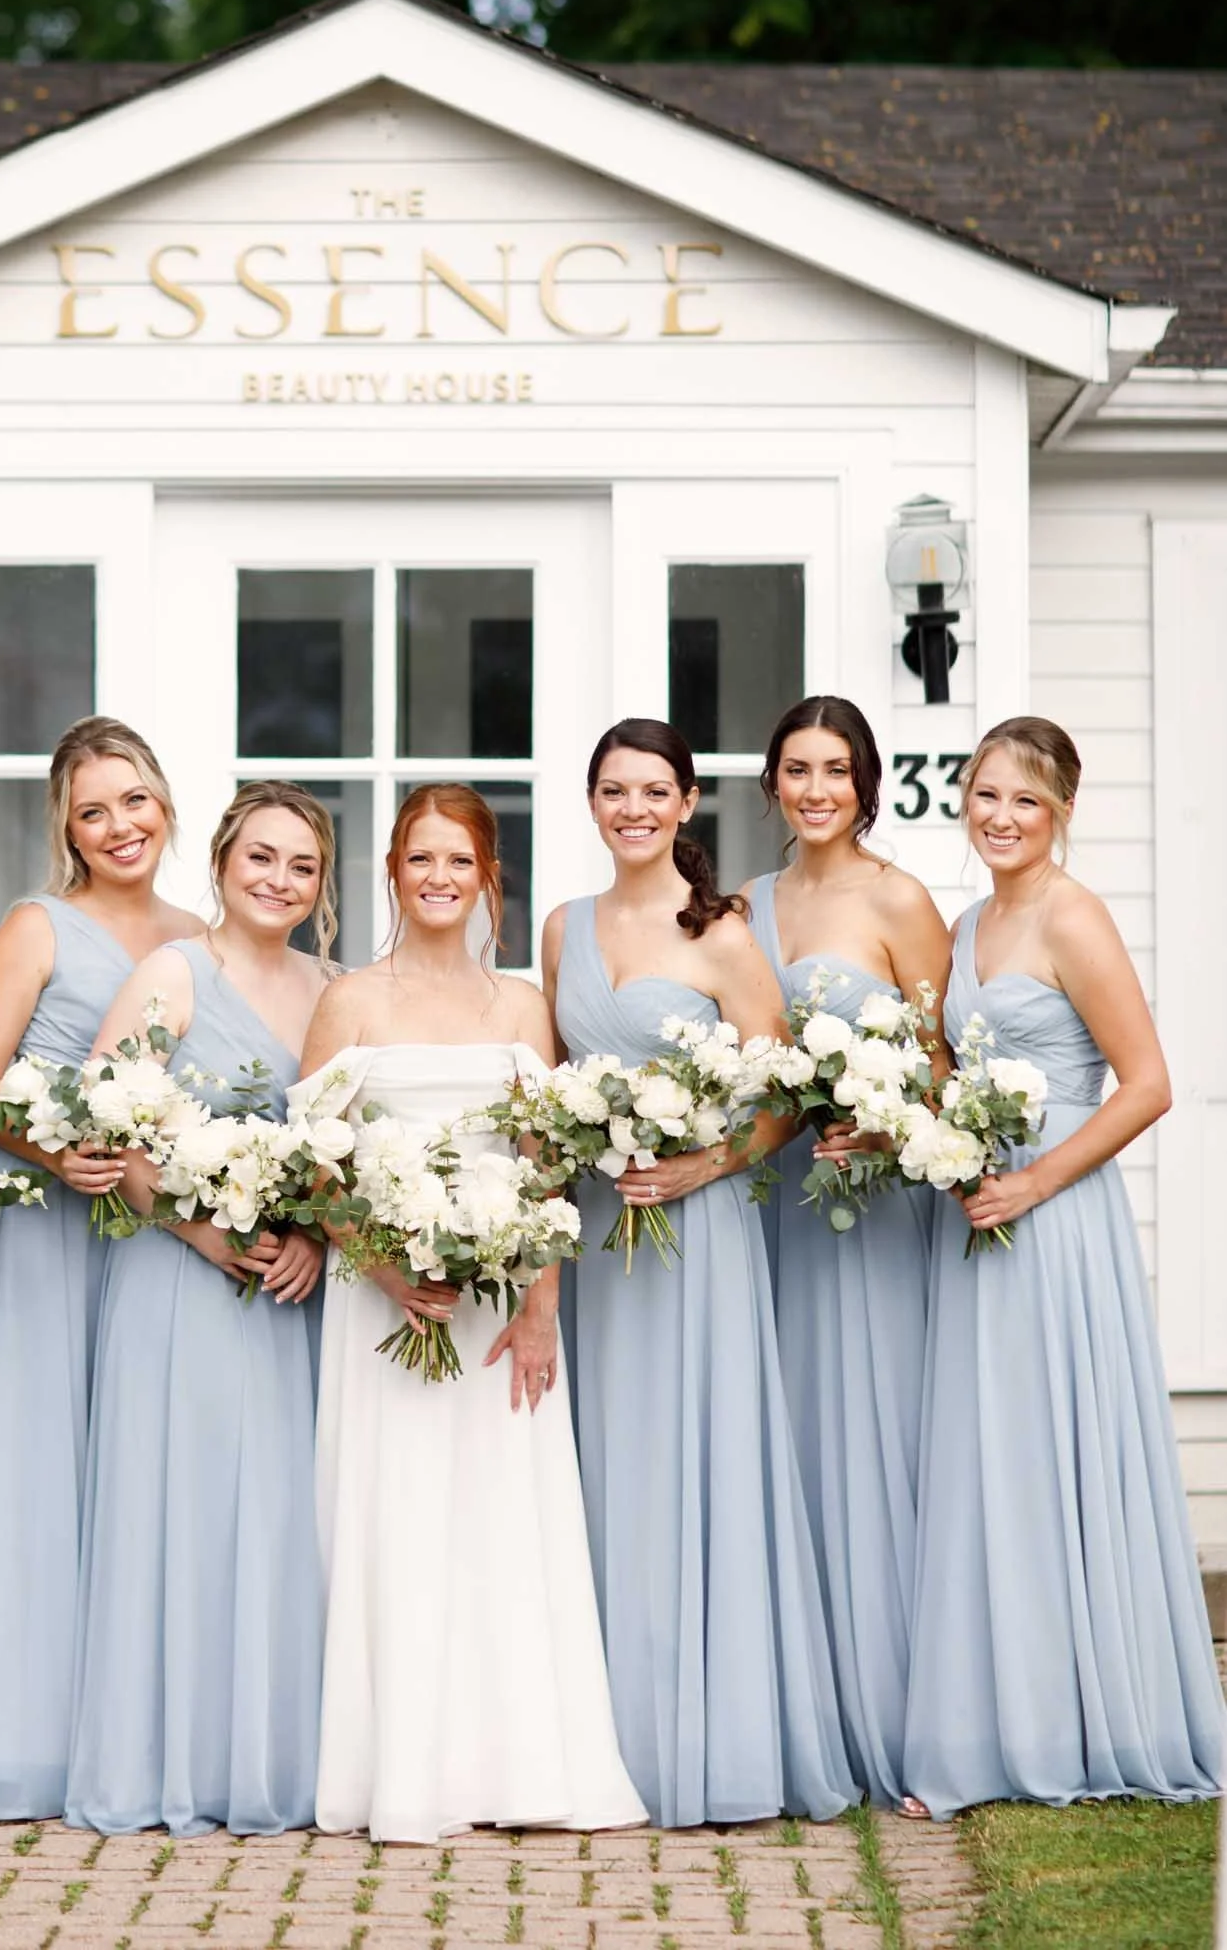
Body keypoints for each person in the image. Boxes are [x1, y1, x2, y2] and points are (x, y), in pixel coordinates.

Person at [301, 784, 645, 1844]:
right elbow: (311, 1173)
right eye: (419, 860)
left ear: (488, 877)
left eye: (459, 861)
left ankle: (520, 1769)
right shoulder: (350, 1001)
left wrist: (538, 1309)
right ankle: (400, 1775)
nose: (438, 878)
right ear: (393, 873)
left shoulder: (516, 1008)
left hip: (498, 1313)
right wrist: (384, 1264)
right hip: (383, 1311)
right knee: (396, 1526)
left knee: (502, 1533)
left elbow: (544, 1172)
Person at [904, 717, 1223, 1814]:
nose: (998, 816)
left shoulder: (1070, 916)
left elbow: (1144, 1083)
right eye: (984, 794)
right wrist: (937, 1146)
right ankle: (996, 1717)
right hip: (978, 1212)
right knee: (989, 1460)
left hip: (1054, 1218)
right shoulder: (963, 924)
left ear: (1061, 814)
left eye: (1023, 802)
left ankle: (1085, 1714)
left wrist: (1034, 1184)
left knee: (1051, 1449)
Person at [544, 717, 855, 1828]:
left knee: (693, 1452)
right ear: (592, 804)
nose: (631, 808)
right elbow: (551, 1084)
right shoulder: (560, 927)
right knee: (596, 1460)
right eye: (612, 791)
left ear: (685, 806)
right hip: (592, 1227)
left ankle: (706, 1734)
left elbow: (781, 1102)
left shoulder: (722, 935)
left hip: (698, 1228)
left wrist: (700, 1165)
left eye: (652, 791)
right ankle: (595, 1734)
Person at [65, 783, 332, 1835]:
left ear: (321, 886)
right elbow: (109, 1122)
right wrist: (197, 1229)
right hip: (176, 1277)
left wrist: (312, 1229)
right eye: (260, 857)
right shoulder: (173, 973)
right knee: (176, 1509)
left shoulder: (331, 988)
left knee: (275, 1518)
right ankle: (162, 1758)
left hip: (286, 1290)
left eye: (301, 866)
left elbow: (349, 1145)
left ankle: (266, 1754)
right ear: (221, 862)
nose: (278, 880)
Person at [0, 718, 201, 1820]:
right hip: (45, 1236)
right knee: (40, 1471)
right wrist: (55, 1146)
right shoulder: (35, 926)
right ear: (65, 825)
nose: (118, 825)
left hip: (153, 1242)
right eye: (93, 809)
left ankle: (130, 1730)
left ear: (165, 805)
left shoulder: (199, 934)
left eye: (134, 800)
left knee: (134, 1482)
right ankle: (25, 1742)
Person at [747, 696, 950, 1813]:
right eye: (794, 768)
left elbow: (942, 1061)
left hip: (863, 1201)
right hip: (765, 1196)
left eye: (833, 768)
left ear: (864, 779)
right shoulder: (741, 903)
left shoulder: (898, 900)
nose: (814, 788)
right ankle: (790, 1702)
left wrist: (885, 1116)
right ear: (770, 784)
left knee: (863, 1435)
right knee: (778, 1430)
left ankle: (885, 1714)